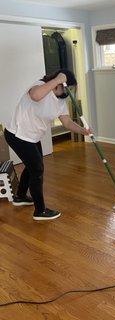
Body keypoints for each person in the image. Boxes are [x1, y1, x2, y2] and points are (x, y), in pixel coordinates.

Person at [4, 69, 90, 221]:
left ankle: (20, 196)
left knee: (34, 167)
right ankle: (40, 211)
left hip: (32, 137)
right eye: (67, 87)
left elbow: (67, 122)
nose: (68, 91)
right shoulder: (40, 86)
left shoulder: (61, 100)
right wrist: (57, 80)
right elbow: (35, 96)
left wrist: (83, 130)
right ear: (59, 82)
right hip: (17, 135)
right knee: (37, 169)